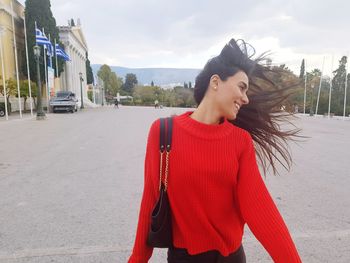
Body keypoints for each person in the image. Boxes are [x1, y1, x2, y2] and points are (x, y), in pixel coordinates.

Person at [128, 39, 302, 263]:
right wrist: (137, 259)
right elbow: (150, 200)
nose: (246, 98)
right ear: (216, 82)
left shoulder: (240, 141)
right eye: (241, 87)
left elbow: (260, 209)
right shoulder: (162, 133)